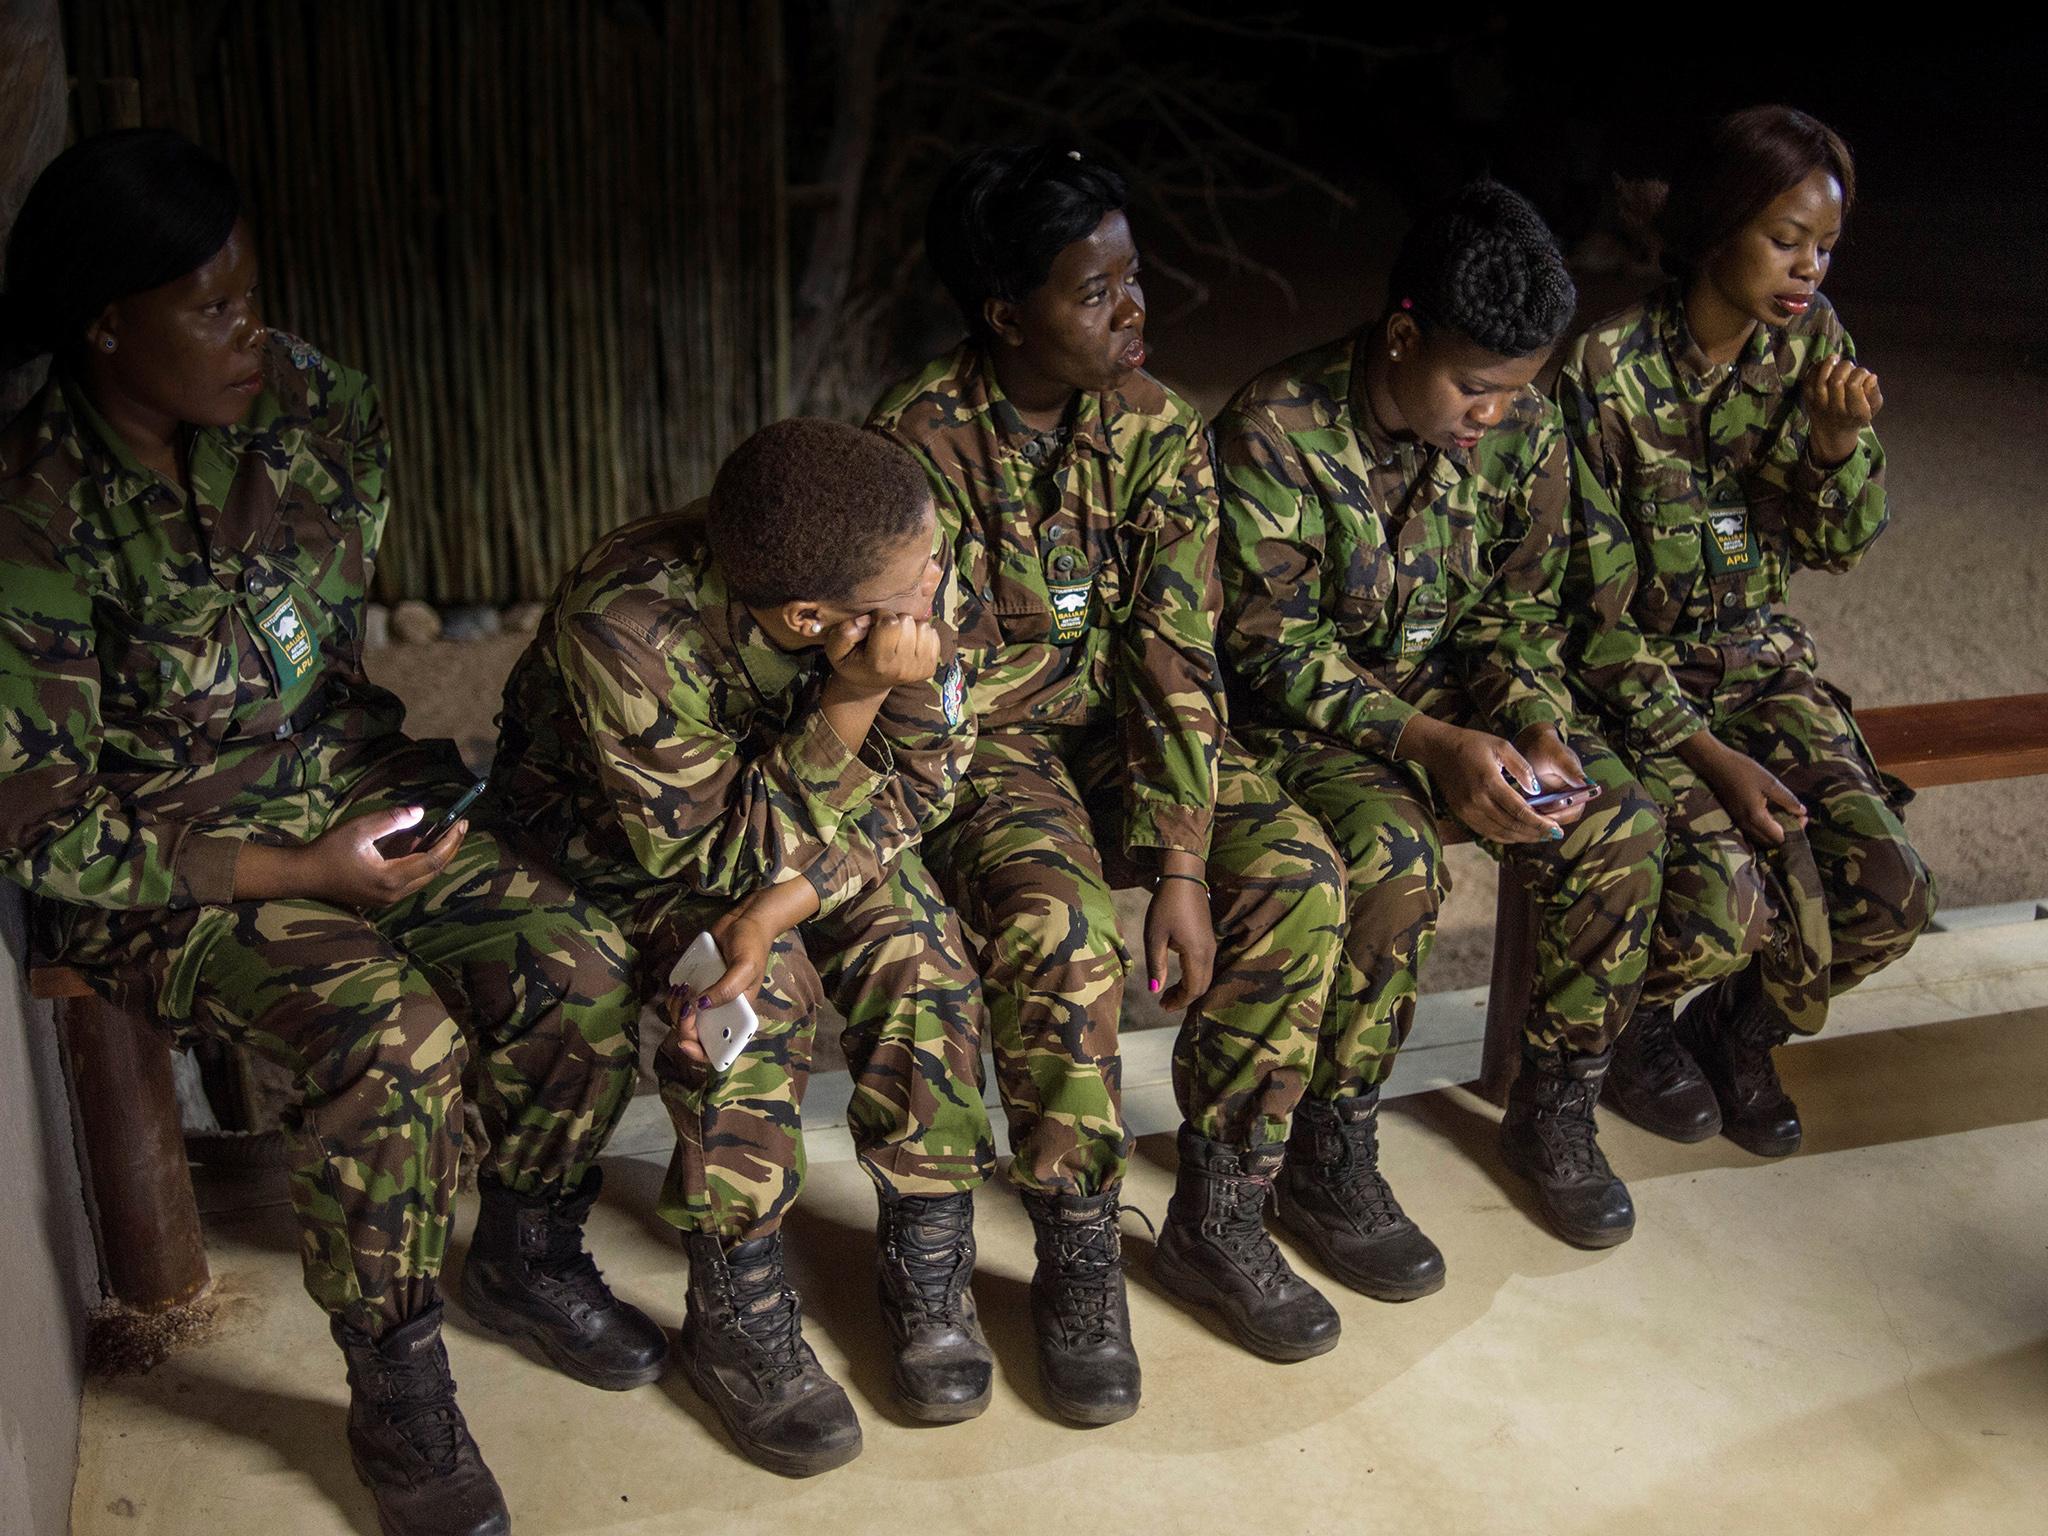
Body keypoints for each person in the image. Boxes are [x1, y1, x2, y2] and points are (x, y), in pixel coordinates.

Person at [0, 130, 657, 1536]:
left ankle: (529, 1250)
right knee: (392, 1040)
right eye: (215, 307)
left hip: (339, 777)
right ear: (107, 321)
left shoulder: (302, 403)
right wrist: (303, 870)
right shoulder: (33, 518)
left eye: (256, 293)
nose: (259, 333)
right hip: (166, 860)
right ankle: (396, 1376)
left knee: (581, 963)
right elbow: (46, 827)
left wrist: (336, 797)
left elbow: (332, 590)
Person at [869, 145, 1349, 1418]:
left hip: (1128, 731)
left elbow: (1173, 654)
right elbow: (926, 689)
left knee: (1298, 871)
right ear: (1004, 313)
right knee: (1059, 924)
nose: (1134, 309)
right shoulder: (916, 442)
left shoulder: (1155, 428)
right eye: (1094, 291)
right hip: (990, 747)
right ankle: (1078, 1245)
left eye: (1133, 276)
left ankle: (1221, 1208)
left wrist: (1183, 865)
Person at [489, 417, 997, 1472]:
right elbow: (710, 861)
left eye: (932, 563)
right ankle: (738, 1299)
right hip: (628, 852)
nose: (937, 586)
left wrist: (788, 903)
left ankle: (928, 1251)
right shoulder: (625, 629)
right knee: (743, 1006)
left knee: (924, 956)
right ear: (811, 616)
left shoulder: (907, 556)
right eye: (913, 584)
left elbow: (924, 785)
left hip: (819, 835)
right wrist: (859, 695)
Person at [1214, 180, 1672, 1256]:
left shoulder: (1523, 427)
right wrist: (1429, 744)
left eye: (1514, 390)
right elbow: (1265, 646)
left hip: (1449, 692)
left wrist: (1538, 728)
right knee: (1392, 858)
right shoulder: (1273, 429)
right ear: (1402, 333)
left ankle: (1551, 1107)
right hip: (1302, 718)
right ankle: (1326, 1146)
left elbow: (1514, 614)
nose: (1493, 415)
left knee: (1617, 823)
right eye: (1473, 387)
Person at [1557, 105, 1934, 1155]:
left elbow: (1845, 543)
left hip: (1761, 668)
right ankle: (1634, 1034)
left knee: (1890, 890)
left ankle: (1735, 1033)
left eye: (1822, 245)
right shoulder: (1604, 370)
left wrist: (1830, 445)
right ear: (1716, 226)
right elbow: (1581, 617)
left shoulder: (1813, 345)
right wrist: (1710, 758)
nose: (1806, 267)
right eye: (1783, 238)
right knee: (1726, 894)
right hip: (1636, 692)